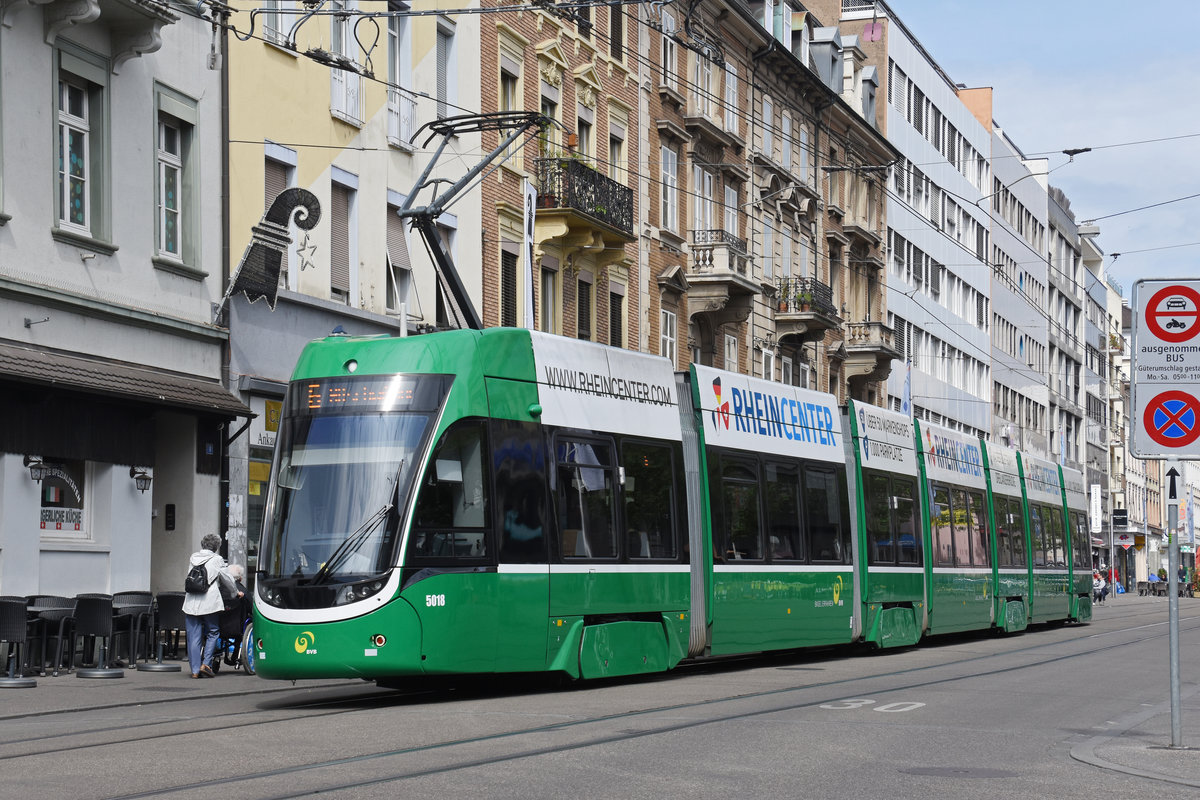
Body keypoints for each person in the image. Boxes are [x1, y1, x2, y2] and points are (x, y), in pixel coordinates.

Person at [183, 533, 240, 678]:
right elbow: (227, 578)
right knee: (213, 631)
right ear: (216, 547)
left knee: (193, 637)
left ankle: (195, 671)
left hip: (191, 602)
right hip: (209, 601)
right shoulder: (217, 559)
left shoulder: (193, 558)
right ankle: (206, 664)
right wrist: (235, 592)